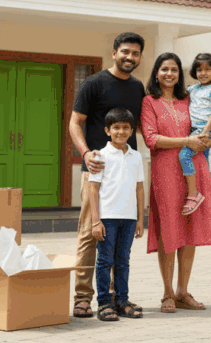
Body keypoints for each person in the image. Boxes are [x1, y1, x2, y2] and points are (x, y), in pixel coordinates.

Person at [70, 32, 147, 319]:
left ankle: (116, 298)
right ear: (114, 52)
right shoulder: (94, 84)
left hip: (126, 172)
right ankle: (82, 296)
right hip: (97, 170)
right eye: (125, 51)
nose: (130, 57)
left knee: (120, 240)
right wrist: (86, 153)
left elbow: (142, 128)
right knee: (91, 234)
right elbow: (75, 122)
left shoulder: (138, 88)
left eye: (135, 53)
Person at [141, 52, 211, 313]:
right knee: (169, 230)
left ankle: (183, 291)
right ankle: (167, 293)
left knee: (190, 229)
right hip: (165, 172)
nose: (169, 74)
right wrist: (186, 141)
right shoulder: (149, 102)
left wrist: (209, 139)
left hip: (193, 170)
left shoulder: (190, 98)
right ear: (156, 73)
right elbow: (152, 139)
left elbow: (206, 124)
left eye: (174, 69)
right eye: (164, 69)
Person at [88, 108, 145, 321]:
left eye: (125, 128)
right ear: (107, 130)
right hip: (107, 218)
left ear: (131, 130)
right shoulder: (100, 156)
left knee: (123, 260)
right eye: (116, 128)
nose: (121, 131)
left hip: (129, 218)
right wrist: (96, 221)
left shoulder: (136, 156)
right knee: (104, 261)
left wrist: (140, 219)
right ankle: (104, 303)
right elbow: (93, 190)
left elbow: (140, 188)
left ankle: (122, 301)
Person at [178, 53, 211, 215]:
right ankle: (210, 195)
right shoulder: (193, 89)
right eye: (199, 70)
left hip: (205, 131)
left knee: (184, 156)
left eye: (207, 69)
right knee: (204, 163)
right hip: (195, 130)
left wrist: (205, 133)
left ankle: (194, 194)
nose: (203, 73)